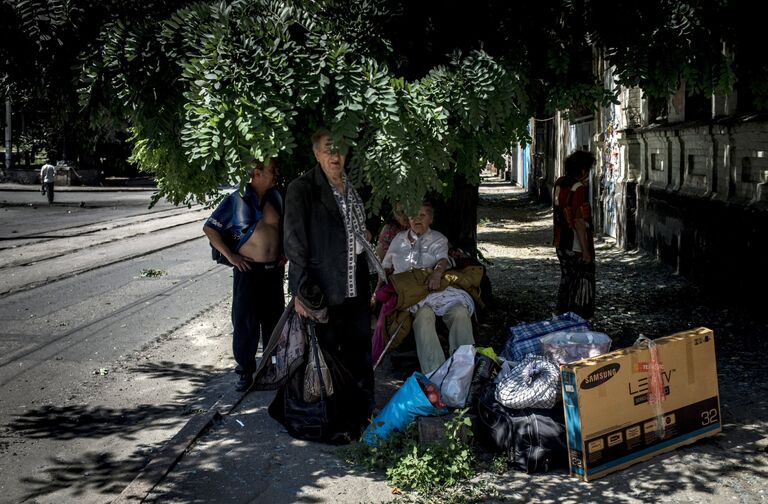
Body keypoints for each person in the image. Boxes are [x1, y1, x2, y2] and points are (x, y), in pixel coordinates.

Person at [283, 128, 376, 413]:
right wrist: (299, 291)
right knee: (324, 352)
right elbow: (294, 243)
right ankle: (328, 414)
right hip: (322, 287)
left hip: (356, 283)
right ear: (316, 152)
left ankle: (362, 410)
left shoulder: (355, 185)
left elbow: (361, 226)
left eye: (340, 148)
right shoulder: (302, 188)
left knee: (359, 349)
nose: (335, 155)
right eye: (328, 148)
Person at [203, 158, 285, 392]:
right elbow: (210, 228)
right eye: (271, 169)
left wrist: (285, 252)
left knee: (274, 321)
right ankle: (245, 371)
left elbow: (283, 229)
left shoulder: (276, 197)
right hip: (248, 271)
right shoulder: (236, 199)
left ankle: (271, 367)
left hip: (273, 271)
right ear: (257, 173)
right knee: (245, 322)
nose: (275, 172)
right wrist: (230, 255)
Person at [382, 202, 476, 374]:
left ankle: (464, 371)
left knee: (460, 312)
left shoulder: (438, 238)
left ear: (431, 219)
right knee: (424, 316)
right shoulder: (398, 239)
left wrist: (436, 273)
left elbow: (443, 259)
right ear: (407, 220)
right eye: (413, 216)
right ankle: (436, 375)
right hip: (411, 294)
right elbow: (384, 267)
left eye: (422, 215)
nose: (417, 219)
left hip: (434, 289)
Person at [553, 150, 596, 319]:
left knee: (566, 281)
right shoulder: (578, 188)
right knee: (580, 284)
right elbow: (578, 221)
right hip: (575, 244)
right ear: (584, 170)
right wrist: (585, 250)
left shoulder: (559, 183)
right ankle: (575, 319)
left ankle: (560, 315)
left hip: (560, 241)